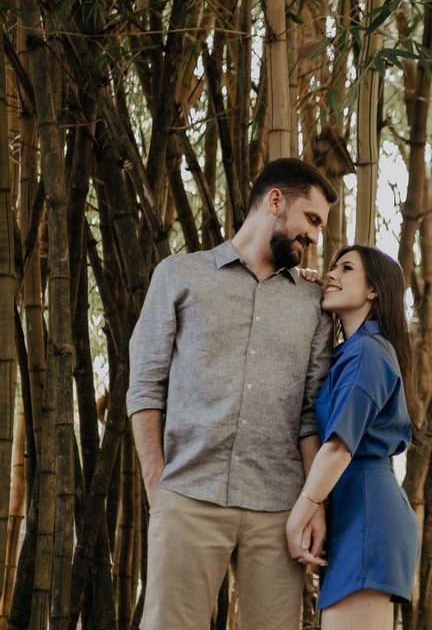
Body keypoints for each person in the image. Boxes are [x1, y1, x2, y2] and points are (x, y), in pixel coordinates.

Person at [128, 157, 337, 629]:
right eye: (312, 219)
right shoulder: (179, 275)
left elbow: (310, 412)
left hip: (277, 508)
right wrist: (156, 483)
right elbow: (145, 385)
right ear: (276, 201)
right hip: (188, 495)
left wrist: (313, 506)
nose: (316, 236)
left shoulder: (314, 303)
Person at [285, 245, 421, 629]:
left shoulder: (368, 353)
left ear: (374, 289)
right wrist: (313, 286)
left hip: (367, 512)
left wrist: (301, 514)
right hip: (354, 508)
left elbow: (340, 446)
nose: (332, 273)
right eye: (331, 267)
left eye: (346, 268)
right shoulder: (350, 352)